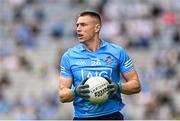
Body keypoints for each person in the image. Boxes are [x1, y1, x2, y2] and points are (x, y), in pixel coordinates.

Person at [59, 11, 141, 120]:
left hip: (112, 116)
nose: (78, 29)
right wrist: (75, 91)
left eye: (83, 25)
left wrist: (118, 87)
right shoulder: (69, 56)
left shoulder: (117, 52)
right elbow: (62, 95)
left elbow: (136, 85)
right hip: (83, 117)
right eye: (77, 25)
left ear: (96, 28)